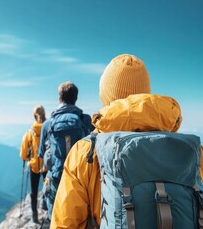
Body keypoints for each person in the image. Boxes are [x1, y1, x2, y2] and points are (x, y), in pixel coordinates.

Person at [50, 54, 203, 228]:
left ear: (106, 96)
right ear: (146, 94)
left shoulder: (85, 152)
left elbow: (65, 223)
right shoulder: (191, 151)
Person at [37, 81, 93, 223]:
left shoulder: (48, 124)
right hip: (82, 181)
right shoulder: (86, 120)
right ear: (76, 98)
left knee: (55, 220)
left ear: (59, 98)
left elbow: (42, 154)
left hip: (56, 179)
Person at [20, 105, 48, 223]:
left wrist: (29, 158)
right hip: (47, 165)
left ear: (34, 116)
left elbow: (23, 153)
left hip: (34, 166)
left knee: (34, 192)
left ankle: (35, 215)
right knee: (48, 189)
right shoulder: (49, 128)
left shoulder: (30, 132)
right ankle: (49, 212)